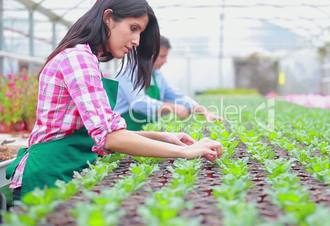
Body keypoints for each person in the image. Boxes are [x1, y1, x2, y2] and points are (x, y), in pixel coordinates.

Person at [6, 0, 222, 200]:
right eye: (133, 28)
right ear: (108, 18)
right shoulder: (78, 58)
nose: (137, 41)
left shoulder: (86, 59)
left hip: (64, 166)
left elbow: (99, 131)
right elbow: (110, 137)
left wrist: (163, 137)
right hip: (48, 175)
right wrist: (184, 152)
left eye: (140, 32)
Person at [115, 35, 222, 131]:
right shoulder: (129, 72)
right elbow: (139, 103)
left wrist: (202, 111)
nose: (165, 61)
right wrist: (172, 107)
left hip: (145, 132)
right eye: (162, 56)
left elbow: (176, 96)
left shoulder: (156, 75)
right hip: (124, 130)